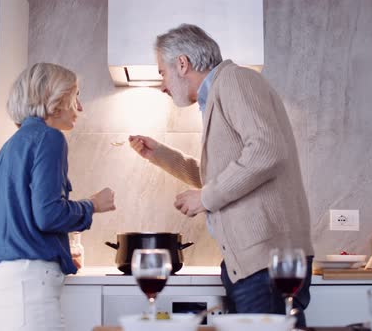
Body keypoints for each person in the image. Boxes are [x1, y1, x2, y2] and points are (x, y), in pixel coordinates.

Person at [128, 24, 314, 326]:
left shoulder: (236, 80)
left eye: (162, 72)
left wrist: (205, 198)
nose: (162, 84)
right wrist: (160, 154)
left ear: (183, 63)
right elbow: (224, 177)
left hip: (265, 263)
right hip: (253, 262)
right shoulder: (217, 94)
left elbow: (267, 150)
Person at [0, 63, 116, 331]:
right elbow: (48, 215)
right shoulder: (49, 138)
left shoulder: (12, 145)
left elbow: (29, 215)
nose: (80, 106)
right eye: (75, 95)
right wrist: (92, 206)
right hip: (26, 287)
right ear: (54, 100)